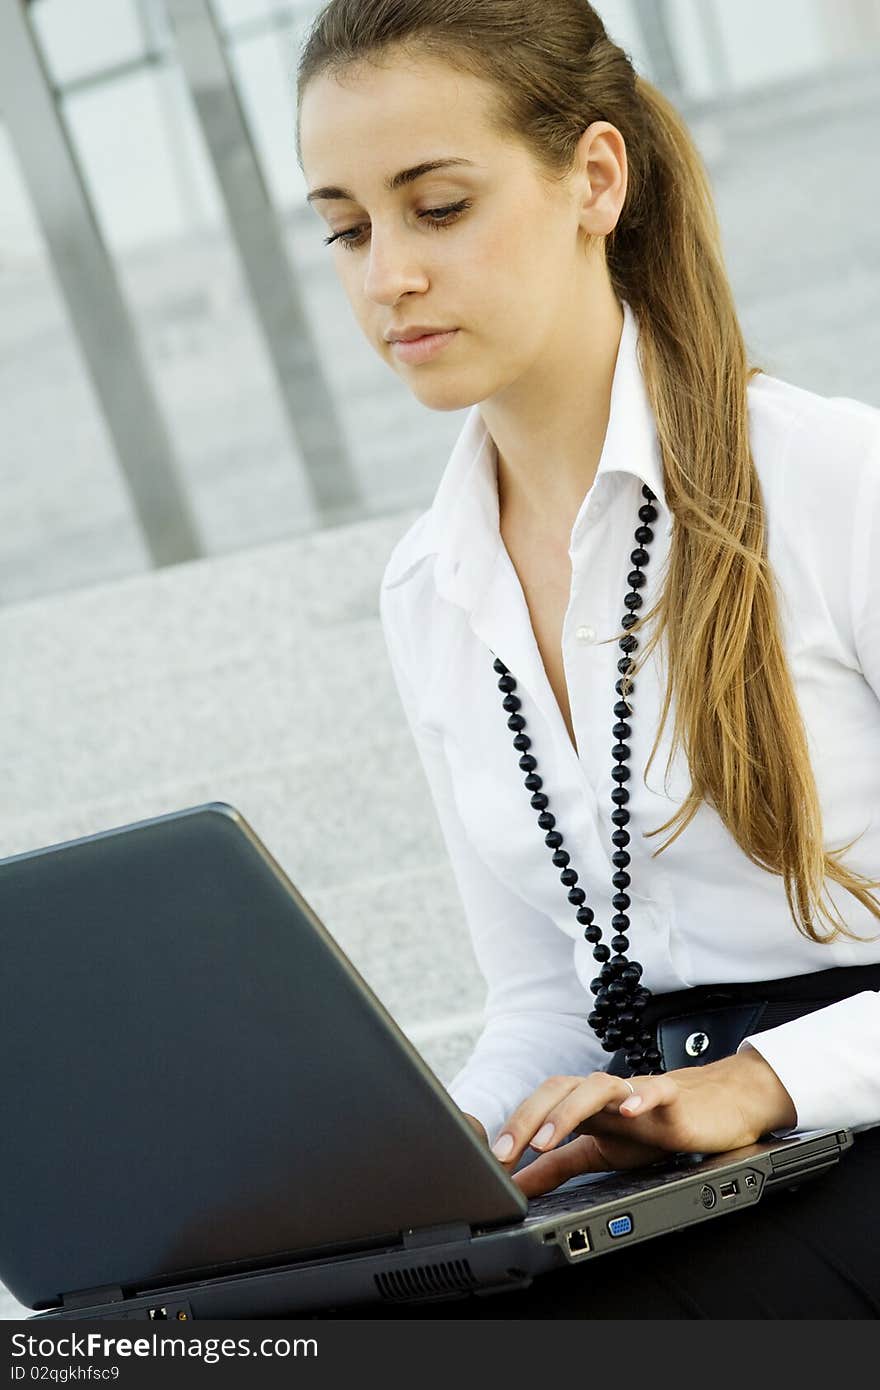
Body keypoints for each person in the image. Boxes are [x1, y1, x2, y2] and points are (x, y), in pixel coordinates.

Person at [295, 0, 880, 1316]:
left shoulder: (836, 480)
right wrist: (404, 1174)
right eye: (344, 227)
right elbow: (544, 1007)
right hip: (649, 1153)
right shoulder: (428, 589)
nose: (386, 273)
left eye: (436, 206)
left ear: (595, 180)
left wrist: (760, 1081)